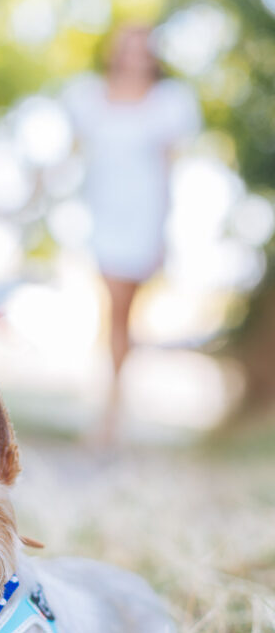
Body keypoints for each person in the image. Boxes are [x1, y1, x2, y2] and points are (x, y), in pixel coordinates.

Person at [63, 24, 201, 441]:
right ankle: (110, 402)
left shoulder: (169, 103)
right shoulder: (88, 97)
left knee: (121, 309)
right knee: (113, 308)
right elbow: (72, 151)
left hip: (142, 220)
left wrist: (166, 230)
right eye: (130, 48)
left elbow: (169, 168)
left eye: (144, 50)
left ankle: (111, 408)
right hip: (102, 216)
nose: (136, 57)